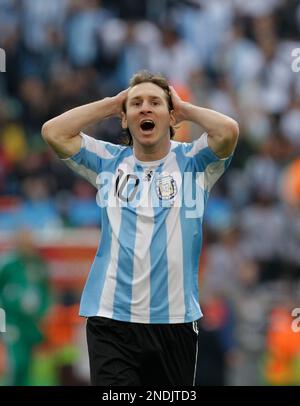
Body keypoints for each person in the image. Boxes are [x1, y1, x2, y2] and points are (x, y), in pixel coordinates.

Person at [41, 70, 238, 386]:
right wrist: (111, 103)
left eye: (156, 103)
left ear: (171, 115)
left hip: (175, 321)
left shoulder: (195, 163)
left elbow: (228, 130)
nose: (145, 108)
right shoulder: (108, 161)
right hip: (111, 319)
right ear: (124, 118)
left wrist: (183, 108)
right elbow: (54, 131)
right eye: (136, 104)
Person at [0, 230, 51, 385]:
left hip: (32, 323)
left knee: (29, 364)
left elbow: (46, 291)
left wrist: (44, 314)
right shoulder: (7, 265)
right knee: (17, 361)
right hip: (12, 322)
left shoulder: (38, 264)